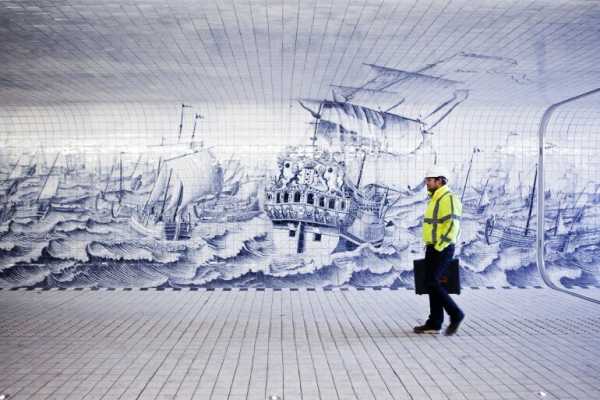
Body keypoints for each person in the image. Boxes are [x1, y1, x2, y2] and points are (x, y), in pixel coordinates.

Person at [414, 166, 465, 336]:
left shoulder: (448, 198)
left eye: (430, 180)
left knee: (433, 282)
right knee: (430, 283)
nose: (427, 183)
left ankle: (456, 314)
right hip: (433, 247)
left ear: (440, 180)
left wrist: (439, 246)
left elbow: (452, 225)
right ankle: (434, 322)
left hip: (441, 248)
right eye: (427, 180)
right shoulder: (435, 199)